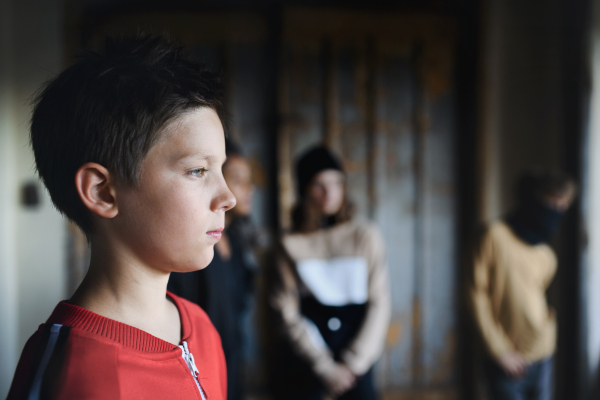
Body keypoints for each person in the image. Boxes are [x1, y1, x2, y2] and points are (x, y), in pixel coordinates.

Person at [7, 34, 236, 399]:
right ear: (102, 192)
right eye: (197, 171)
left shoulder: (201, 328)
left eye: (220, 169)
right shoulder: (70, 373)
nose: (228, 197)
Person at [270, 146, 391, 400]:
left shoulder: (365, 236)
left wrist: (353, 364)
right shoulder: (290, 243)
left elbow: (380, 303)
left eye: (336, 183)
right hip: (309, 360)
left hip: (356, 359)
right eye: (319, 185)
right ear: (304, 189)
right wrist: (324, 367)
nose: (329, 193)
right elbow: (286, 311)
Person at [468, 169, 576, 400]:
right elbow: (475, 295)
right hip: (507, 358)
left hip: (543, 354)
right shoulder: (493, 236)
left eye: (562, 208)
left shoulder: (546, 255)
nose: (555, 213)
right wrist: (499, 350)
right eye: (551, 204)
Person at [168, 139, 257, 400]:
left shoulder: (237, 243)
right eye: (238, 179)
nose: (248, 189)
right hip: (200, 367)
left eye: (249, 180)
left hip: (233, 360)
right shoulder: (194, 251)